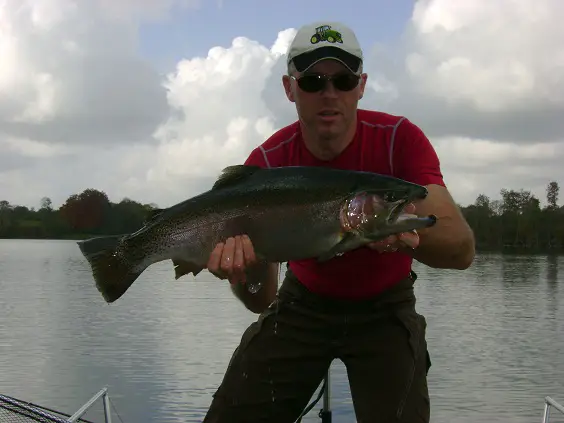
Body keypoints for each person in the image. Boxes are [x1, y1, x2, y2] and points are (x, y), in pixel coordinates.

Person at [202, 21, 475, 423]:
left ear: (361, 85)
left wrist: (403, 231)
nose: (329, 94)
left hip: (387, 305)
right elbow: (261, 299)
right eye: (312, 81)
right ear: (289, 88)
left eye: (343, 80)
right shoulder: (267, 163)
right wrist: (242, 272)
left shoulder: (401, 139)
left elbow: (462, 249)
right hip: (302, 302)